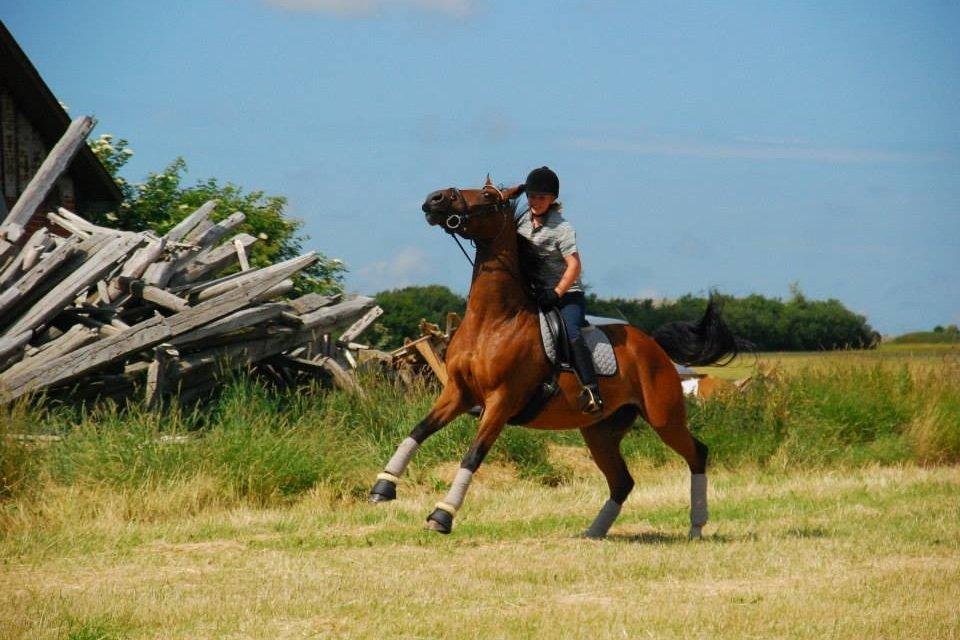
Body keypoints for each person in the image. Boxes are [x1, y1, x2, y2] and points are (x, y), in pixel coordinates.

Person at [513, 166, 602, 415]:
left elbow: (574, 265)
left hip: (566, 295)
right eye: (531, 196)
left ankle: (591, 389)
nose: (535, 201)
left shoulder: (563, 228)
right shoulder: (520, 223)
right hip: (535, 293)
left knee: (571, 330)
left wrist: (557, 292)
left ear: (552, 199)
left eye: (541, 197)